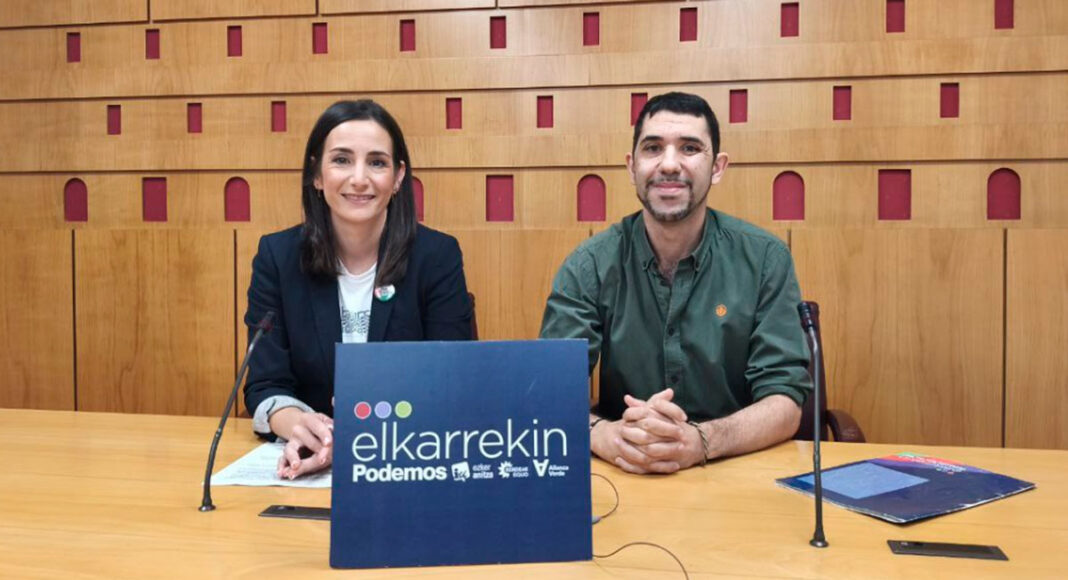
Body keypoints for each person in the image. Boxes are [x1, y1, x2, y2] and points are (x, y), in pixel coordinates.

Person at [540, 92, 811, 475]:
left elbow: (785, 402)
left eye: (689, 148)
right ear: (632, 166)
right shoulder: (589, 266)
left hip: (734, 467)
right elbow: (548, 393)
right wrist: (605, 436)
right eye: (653, 148)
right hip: (627, 470)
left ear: (717, 167)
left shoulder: (766, 259)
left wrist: (701, 440)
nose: (669, 164)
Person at [244, 99, 473, 479]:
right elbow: (266, 385)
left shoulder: (436, 256)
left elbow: (450, 381)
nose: (360, 178)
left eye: (377, 162)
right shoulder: (278, 256)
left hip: (405, 458)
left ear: (399, 177)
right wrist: (302, 425)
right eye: (342, 160)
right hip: (309, 465)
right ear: (316, 174)